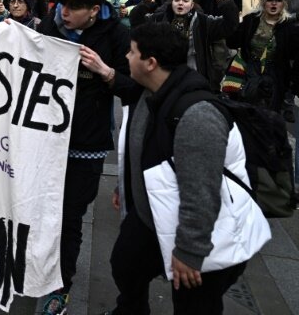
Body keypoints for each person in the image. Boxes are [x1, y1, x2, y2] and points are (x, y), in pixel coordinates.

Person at [104, 22, 249, 315]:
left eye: (132, 52)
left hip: (201, 235)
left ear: (150, 62)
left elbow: (201, 192)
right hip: (151, 216)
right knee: (126, 265)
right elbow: (143, 149)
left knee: (194, 303)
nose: (126, 57)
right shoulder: (149, 92)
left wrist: (189, 252)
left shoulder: (197, 115)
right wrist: (125, 185)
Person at [37, 0, 135, 314]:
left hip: (86, 141)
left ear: (94, 10)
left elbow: (134, 87)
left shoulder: (116, 34)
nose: (64, 12)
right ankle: (35, 266)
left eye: (74, 7)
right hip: (45, 136)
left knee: (70, 216)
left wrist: (106, 72)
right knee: (39, 208)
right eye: (62, 4)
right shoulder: (50, 26)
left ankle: (60, 286)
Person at [130, 0, 238, 90]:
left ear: (192, 5)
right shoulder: (158, 20)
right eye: (177, 0)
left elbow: (228, 25)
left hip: (194, 77)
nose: (180, 3)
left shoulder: (203, 22)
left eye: (185, 0)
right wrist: (144, 6)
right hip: (163, 78)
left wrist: (227, 5)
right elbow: (136, 23)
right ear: (172, 2)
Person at [225, 0, 299, 114]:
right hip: (249, 69)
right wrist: (231, 15)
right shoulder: (251, 20)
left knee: (269, 112)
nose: (274, 3)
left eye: (278, 0)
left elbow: (293, 55)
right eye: (270, 0)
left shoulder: (289, 27)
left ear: (284, 4)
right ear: (263, 3)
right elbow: (232, 42)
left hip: (274, 74)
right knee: (244, 107)